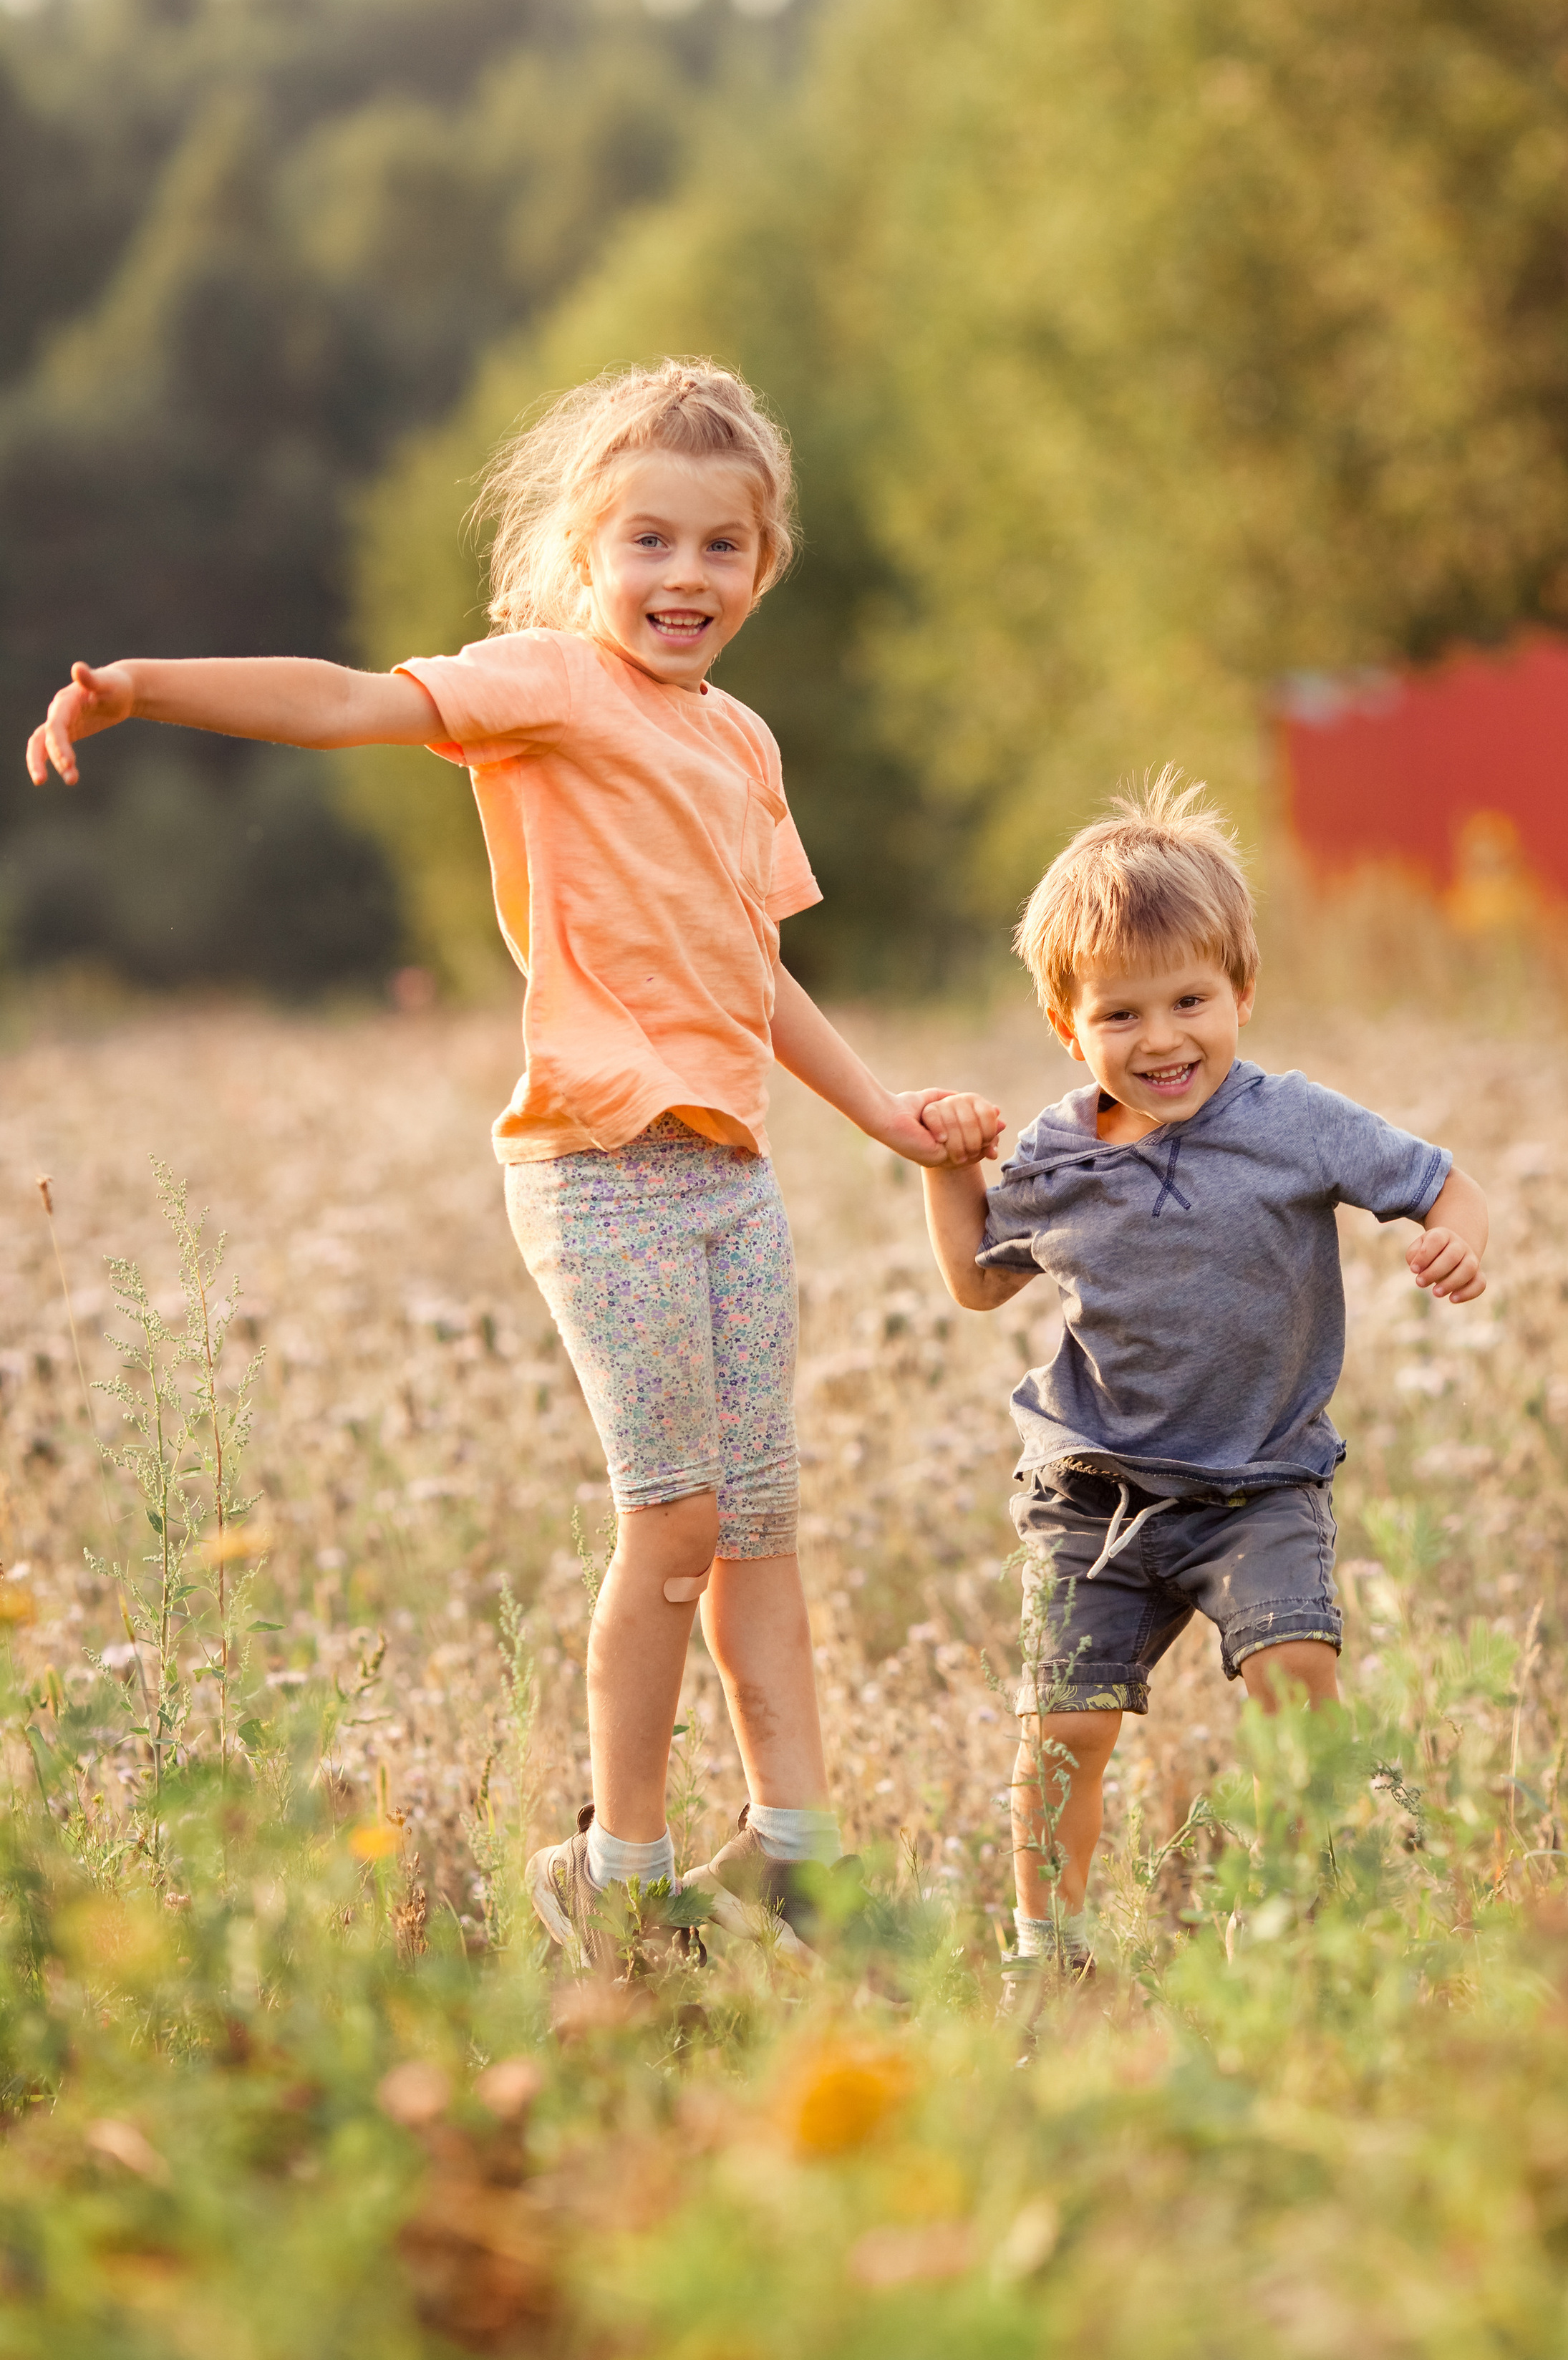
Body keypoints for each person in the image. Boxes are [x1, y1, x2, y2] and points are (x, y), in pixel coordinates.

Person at [25, 356, 1002, 1960]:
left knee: (762, 1531)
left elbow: (746, 967)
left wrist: (884, 1116)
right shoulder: (546, 684)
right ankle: (617, 1882)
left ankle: (798, 1866)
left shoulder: (742, 742)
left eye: (720, 548)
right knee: (672, 1525)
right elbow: (349, 703)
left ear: (763, 564)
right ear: (583, 555)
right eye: (648, 542)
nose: (683, 578)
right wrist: (142, 683)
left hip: (729, 1178)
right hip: (597, 1171)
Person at [919, 771, 1488, 1997]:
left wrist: (1457, 1236)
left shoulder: (1299, 1124)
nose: (1162, 1037)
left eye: (1190, 1000)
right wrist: (946, 1168)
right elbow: (977, 1283)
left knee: (1299, 1679)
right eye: (1121, 1014)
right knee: (1066, 1729)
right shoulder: (1056, 1158)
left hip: (1262, 1483)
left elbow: (1443, 1181)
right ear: (1070, 1030)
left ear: (1242, 992)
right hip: (1095, 1490)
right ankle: (1046, 1958)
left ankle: (1311, 1926)